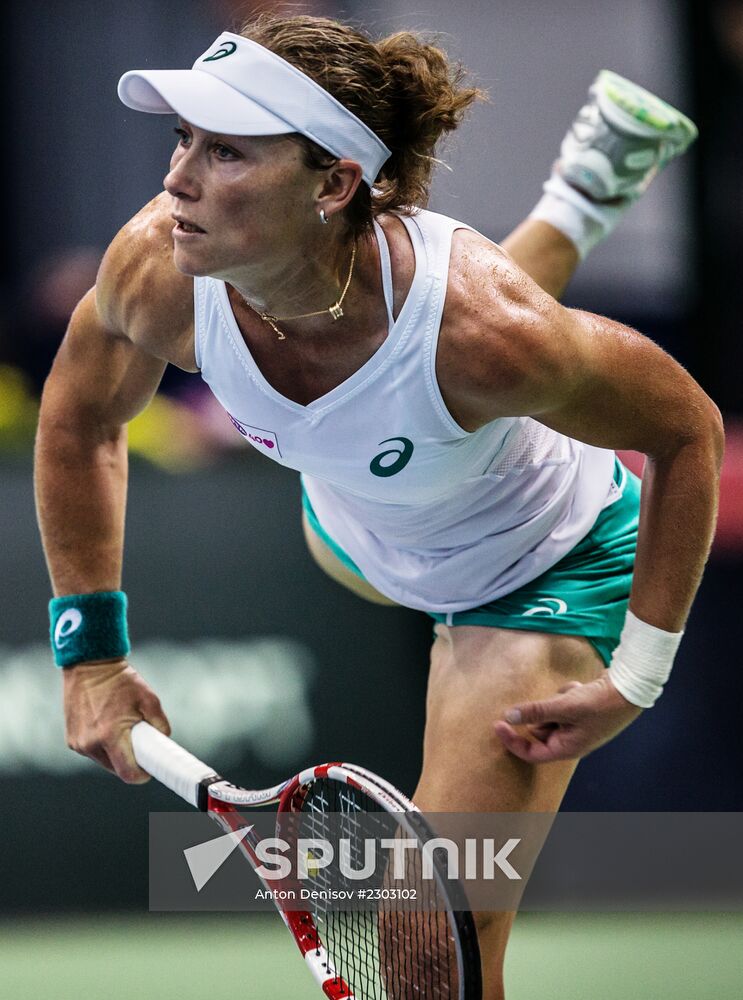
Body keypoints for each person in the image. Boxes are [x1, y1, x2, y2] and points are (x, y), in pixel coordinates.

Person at [35, 14, 720, 999]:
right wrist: (90, 653)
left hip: (534, 570)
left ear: (331, 182)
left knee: (426, 949)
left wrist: (637, 674)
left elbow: (684, 431)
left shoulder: (488, 328)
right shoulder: (158, 266)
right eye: (181, 139)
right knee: (434, 388)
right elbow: (79, 418)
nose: (176, 178)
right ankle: (582, 190)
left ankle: (580, 195)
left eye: (224, 150)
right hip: (354, 531)